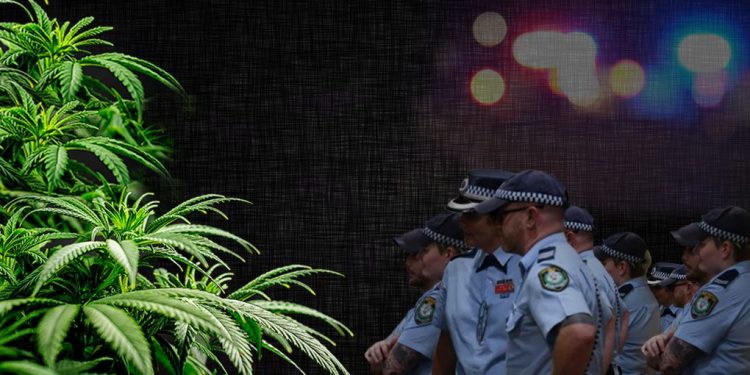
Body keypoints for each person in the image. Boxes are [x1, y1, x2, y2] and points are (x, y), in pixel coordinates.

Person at [469, 169, 606, 375]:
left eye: (501, 216)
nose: (497, 226)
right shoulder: (571, 260)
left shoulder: (546, 269)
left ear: (531, 217)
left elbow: (579, 332)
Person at [432, 169, 521, 374]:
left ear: (500, 218)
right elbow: (446, 342)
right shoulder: (455, 270)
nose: (461, 222)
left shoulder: (529, 268)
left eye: (471, 214)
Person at [647, 206, 750, 374]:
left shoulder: (721, 291)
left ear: (725, 248)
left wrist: (651, 355)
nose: (696, 251)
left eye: (702, 244)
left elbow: (669, 362)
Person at [382, 212, 470, 374]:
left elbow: (391, 368)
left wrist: (381, 358)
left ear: (448, 254)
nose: (418, 259)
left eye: (424, 251)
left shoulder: (435, 301)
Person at [564, 206, 626, 372]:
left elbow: (610, 320)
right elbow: (624, 314)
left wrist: (601, 369)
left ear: (569, 237)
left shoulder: (584, 270)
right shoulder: (597, 267)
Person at [365, 227, 436, 373]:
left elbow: (391, 369)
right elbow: (378, 364)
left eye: (417, 254)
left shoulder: (435, 302)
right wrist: (379, 355)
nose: (408, 263)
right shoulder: (417, 309)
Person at [595, 232, 660, 375]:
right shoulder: (642, 294)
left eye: (604, 263)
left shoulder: (624, 300)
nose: (601, 269)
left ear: (622, 267)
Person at [646, 262, 683, 331]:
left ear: (672, 288)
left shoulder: (684, 314)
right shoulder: (655, 310)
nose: (652, 291)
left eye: (657, 288)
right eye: (650, 287)